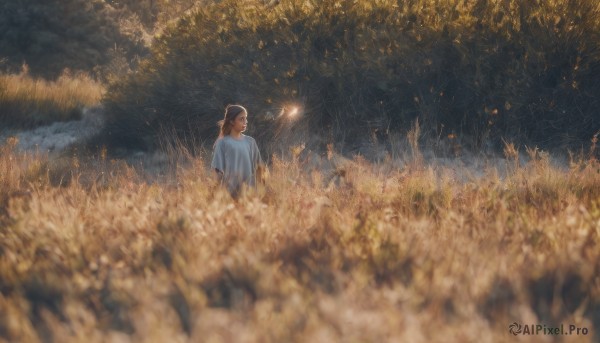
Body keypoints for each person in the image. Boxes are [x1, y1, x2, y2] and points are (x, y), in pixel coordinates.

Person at [211, 104, 264, 198]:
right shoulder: (222, 143)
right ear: (231, 121)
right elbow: (217, 171)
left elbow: (260, 168)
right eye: (241, 119)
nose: (245, 122)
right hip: (229, 195)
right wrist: (214, 194)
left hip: (250, 195)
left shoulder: (250, 141)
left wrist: (263, 189)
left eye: (246, 118)